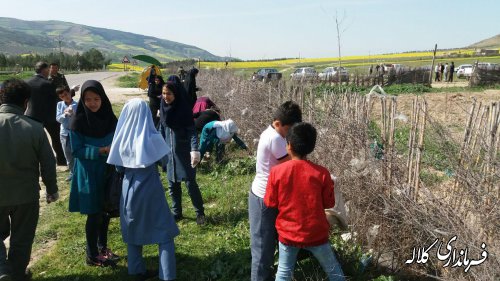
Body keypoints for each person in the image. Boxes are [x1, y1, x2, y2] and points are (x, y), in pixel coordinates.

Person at [107, 98, 179, 281]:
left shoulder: (121, 138)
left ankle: (136, 270)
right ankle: (167, 275)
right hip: (151, 188)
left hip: (129, 188)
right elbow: (165, 161)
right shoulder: (152, 137)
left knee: (133, 228)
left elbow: (118, 168)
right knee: (164, 231)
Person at [264, 122, 345, 281]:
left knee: (284, 272)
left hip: (288, 234)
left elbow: (270, 202)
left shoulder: (277, 172)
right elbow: (328, 204)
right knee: (333, 271)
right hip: (316, 234)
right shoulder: (322, 173)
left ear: (289, 145)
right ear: (311, 147)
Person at [0, 79, 59, 281]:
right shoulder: (34, 128)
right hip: (26, 195)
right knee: (22, 239)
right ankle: (15, 275)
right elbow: (48, 163)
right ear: (26, 102)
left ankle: (2, 270)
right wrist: (52, 189)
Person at [249, 101, 302, 281]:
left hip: (271, 196)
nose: (291, 134)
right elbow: (293, 164)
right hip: (264, 199)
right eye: (290, 129)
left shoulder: (273, 133)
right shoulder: (275, 139)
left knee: (271, 244)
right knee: (262, 249)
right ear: (278, 123)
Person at [68, 80, 119, 267]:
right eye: (88, 99)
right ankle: (91, 255)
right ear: (82, 100)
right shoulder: (78, 122)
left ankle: (102, 248)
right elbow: (77, 151)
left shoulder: (111, 119)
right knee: (94, 214)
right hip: (89, 173)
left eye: (96, 98)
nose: (92, 103)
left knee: (105, 211)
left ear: (103, 98)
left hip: (107, 171)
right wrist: (100, 151)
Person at [159, 75, 206, 225]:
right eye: (164, 93)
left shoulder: (184, 111)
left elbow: (192, 131)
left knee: (190, 184)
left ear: (176, 94)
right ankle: (177, 212)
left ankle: (200, 213)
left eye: (169, 94)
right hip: (168, 153)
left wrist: (194, 150)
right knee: (172, 185)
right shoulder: (163, 110)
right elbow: (160, 130)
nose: (166, 97)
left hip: (184, 153)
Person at [25, 61, 66, 166]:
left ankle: (31, 162)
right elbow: (58, 97)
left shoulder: (27, 82)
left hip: (32, 116)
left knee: (32, 141)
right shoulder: (47, 84)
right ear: (44, 70)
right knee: (56, 139)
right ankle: (61, 161)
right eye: (48, 69)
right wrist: (73, 91)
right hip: (49, 117)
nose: (49, 71)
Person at [56, 86, 78, 182]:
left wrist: (73, 113)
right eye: (62, 96)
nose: (65, 97)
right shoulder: (60, 105)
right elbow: (58, 119)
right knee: (68, 154)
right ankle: (72, 172)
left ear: (70, 92)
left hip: (76, 133)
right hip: (64, 133)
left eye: (66, 94)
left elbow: (81, 118)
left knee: (76, 152)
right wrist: (64, 114)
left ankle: (78, 172)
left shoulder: (77, 104)